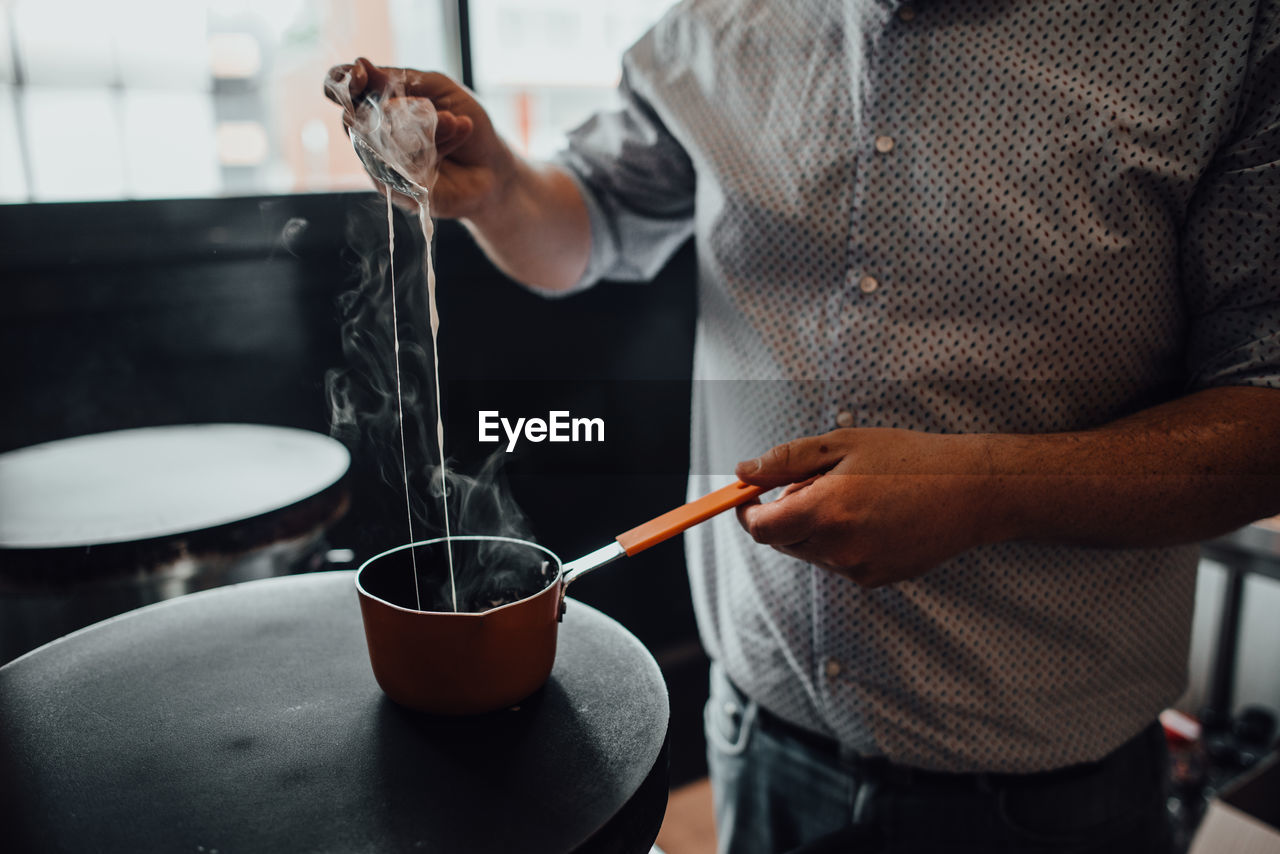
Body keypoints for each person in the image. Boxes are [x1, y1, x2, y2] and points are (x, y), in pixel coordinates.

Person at [327, 0, 1280, 850]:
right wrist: (497, 186)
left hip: (1053, 796)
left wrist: (985, 488)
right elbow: (585, 225)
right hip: (757, 739)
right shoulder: (716, 25)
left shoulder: (1223, 32)